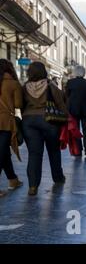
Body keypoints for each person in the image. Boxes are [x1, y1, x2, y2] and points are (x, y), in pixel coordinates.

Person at [22, 62, 67, 196]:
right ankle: (58, 177)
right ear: (43, 72)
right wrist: (66, 117)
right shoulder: (50, 85)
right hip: (49, 120)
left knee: (34, 154)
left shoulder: (25, 87)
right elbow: (60, 101)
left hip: (29, 121)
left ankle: (33, 186)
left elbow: (20, 104)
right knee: (53, 151)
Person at [0, 59, 23, 197]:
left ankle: (13, 180)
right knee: (1, 153)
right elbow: (18, 104)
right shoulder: (13, 84)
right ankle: (13, 180)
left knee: (4, 152)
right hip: (5, 122)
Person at [66, 65, 86, 159]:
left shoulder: (70, 82)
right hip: (85, 109)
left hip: (74, 110)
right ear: (84, 73)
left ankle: (78, 150)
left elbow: (67, 96)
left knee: (76, 130)